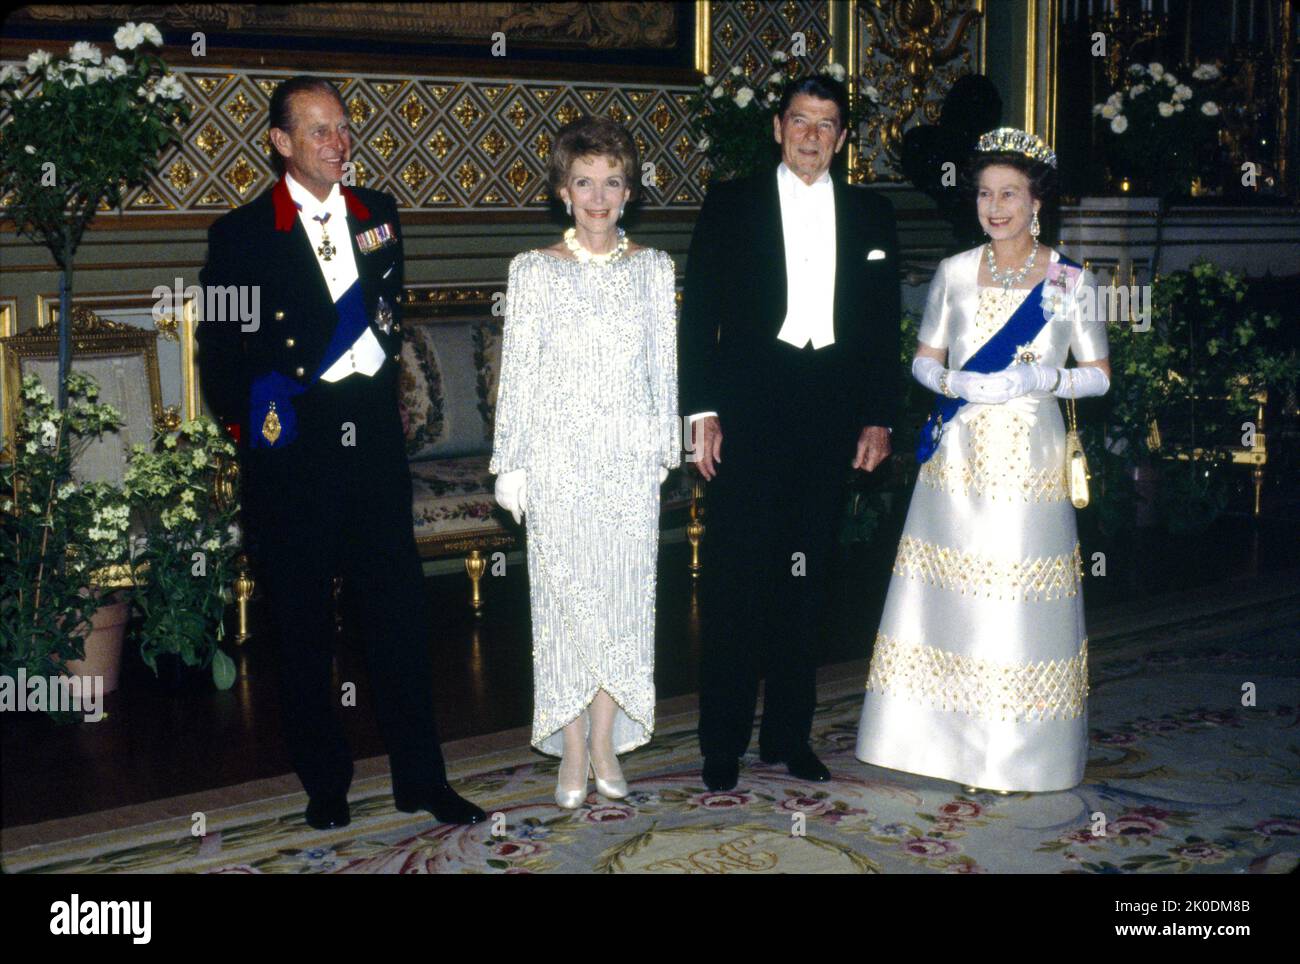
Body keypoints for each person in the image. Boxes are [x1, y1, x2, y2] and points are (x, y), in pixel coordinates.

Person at [197, 76, 484, 830]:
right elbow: (219, 355)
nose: (338, 142)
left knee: (397, 617)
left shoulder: (377, 216)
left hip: (371, 440)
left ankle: (422, 777)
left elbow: (384, 319)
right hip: (294, 446)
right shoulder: (241, 235)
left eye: (343, 127)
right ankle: (325, 783)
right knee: (300, 625)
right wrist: (257, 427)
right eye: (319, 131)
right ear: (281, 143)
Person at [854, 128, 1111, 794]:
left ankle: (1021, 751)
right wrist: (952, 385)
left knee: (1017, 593)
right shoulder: (955, 272)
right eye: (985, 193)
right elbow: (922, 358)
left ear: (1036, 204)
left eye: (1010, 194)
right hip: (959, 451)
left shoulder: (1068, 282)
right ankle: (929, 742)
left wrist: (1040, 381)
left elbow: (1100, 376)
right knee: (950, 591)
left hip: (1031, 456)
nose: (995, 206)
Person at [680, 75, 902, 793]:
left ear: (842, 137)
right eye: (800, 121)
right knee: (735, 581)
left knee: (807, 583)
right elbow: (699, 314)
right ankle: (721, 743)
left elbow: (880, 326)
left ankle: (788, 736)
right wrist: (700, 410)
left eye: (827, 123)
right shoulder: (731, 203)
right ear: (778, 128)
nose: (811, 135)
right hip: (747, 414)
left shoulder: (873, 214)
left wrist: (879, 414)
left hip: (829, 418)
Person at [490, 115, 679, 809]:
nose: (598, 198)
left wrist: (664, 449)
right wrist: (511, 464)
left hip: (629, 462)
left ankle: (605, 740)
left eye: (612, 183)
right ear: (563, 193)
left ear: (629, 193)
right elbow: (519, 376)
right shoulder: (533, 271)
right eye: (584, 184)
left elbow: (665, 367)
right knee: (565, 607)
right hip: (557, 461)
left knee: (623, 606)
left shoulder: (654, 270)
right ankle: (569, 745)